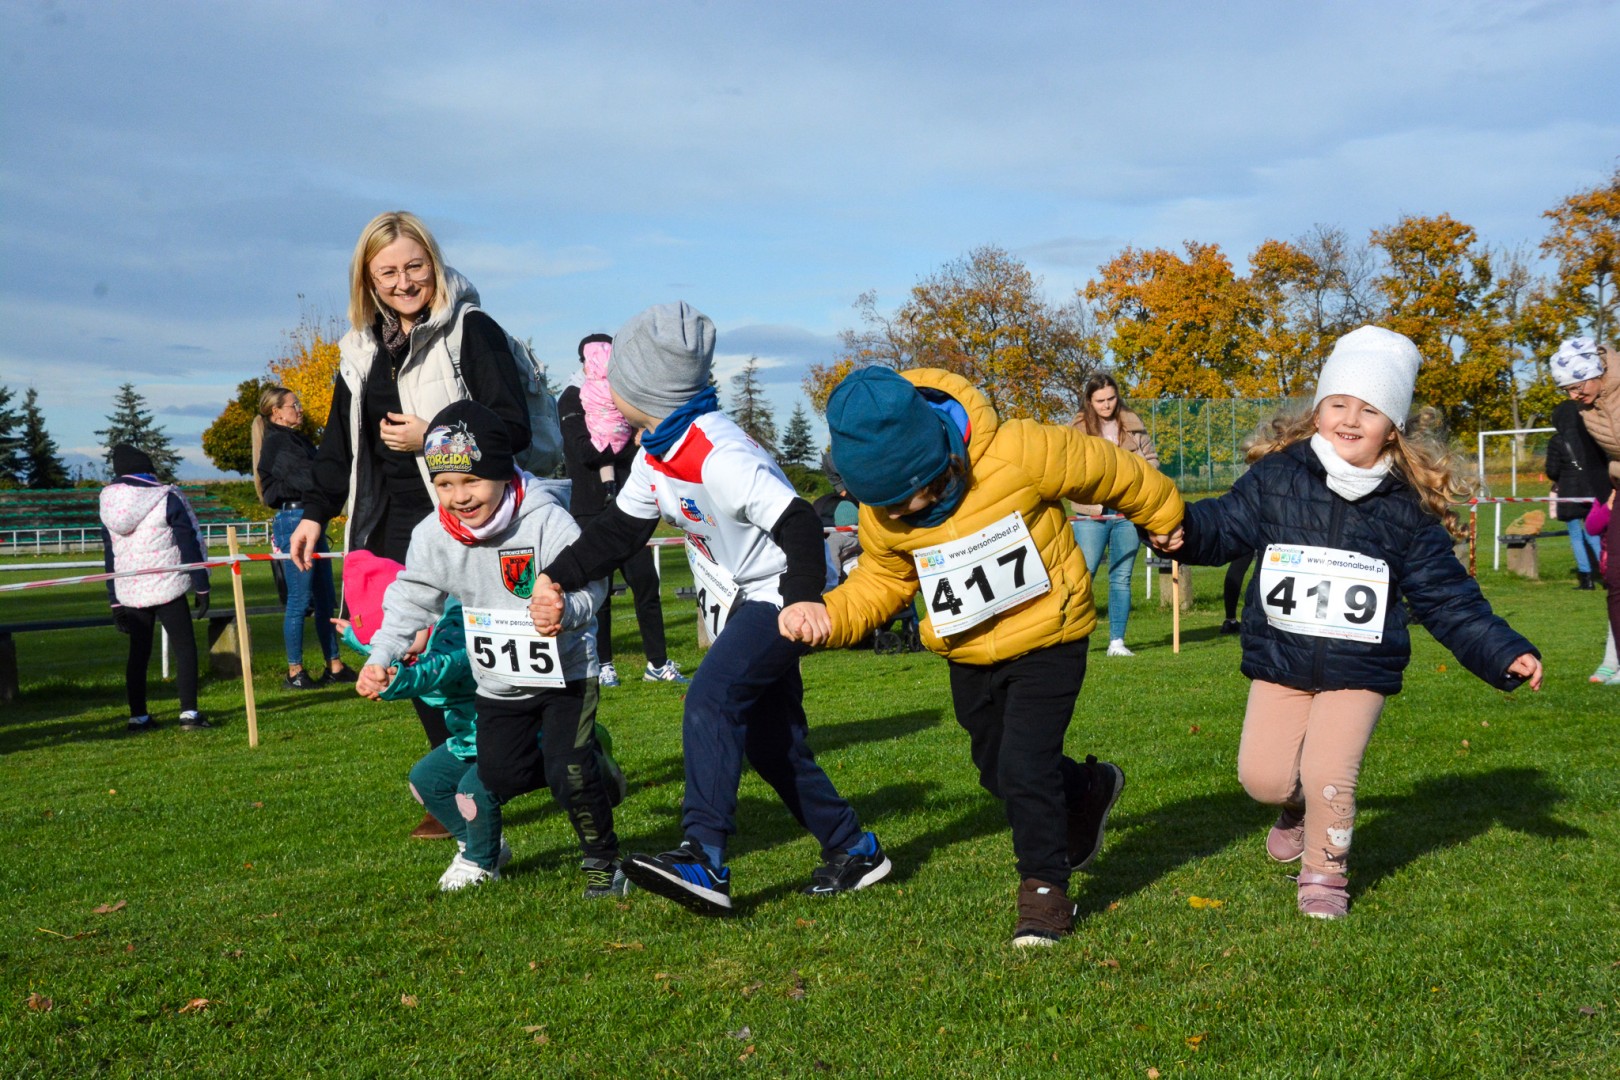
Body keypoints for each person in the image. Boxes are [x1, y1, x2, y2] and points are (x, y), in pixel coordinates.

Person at [786, 365, 1184, 948]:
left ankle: (1044, 892)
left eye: (904, 499)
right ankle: (1086, 788)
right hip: (969, 651)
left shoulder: (1020, 449)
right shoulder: (882, 513)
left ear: (941, 459)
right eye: (882, 505)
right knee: (997, 769)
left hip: (1050, 634)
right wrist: (828, 614)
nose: (895, 515)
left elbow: (1115, 471)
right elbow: (881, 581)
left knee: (1025, 764)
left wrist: (1166, 521)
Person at [1156, 326, 1542, 921]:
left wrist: (1502, 650)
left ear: (1394, 427)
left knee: (1331, 773)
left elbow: (1447, 599)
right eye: (1339, 403)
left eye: (1371, 409)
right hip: (1281, 659)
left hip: (1359, 668)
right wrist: (1181, 529)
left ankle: (1325, 877)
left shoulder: (1406, 507)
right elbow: (1224, 524)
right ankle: (1296, 810)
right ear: (1317, 411)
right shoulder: (1277, 477)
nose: (1351, 418)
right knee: (1264, 779)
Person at [533, 302, 889, 917]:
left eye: (619, 385)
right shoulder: (658, 451)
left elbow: (800, 520)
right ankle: (854, 848)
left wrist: (805, 599)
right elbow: (619, 532)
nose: (610, 396)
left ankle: (704, 857)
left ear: (645, 390)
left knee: (711, 697)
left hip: (781, 585)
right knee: (772, 742)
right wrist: (557, 576)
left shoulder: (717, 452)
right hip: (749, 591)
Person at [289, 210, 530, 840]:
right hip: (388, 529)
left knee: (474, 659)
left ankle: (512, 768)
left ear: (435, 263)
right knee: (410, 657)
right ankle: (453, 778)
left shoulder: (471, 331)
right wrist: (315, 513)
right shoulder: (357, 352)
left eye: (414, 266)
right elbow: (337, 448)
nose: (404, 281)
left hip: (463, 522)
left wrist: (438, 436)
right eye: (387, 271)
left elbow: (512, 428)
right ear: (367, 281)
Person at [356, 401, 625, 896]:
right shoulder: (433, 536)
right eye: (445, 485)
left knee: (567, 772)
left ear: (502, 473)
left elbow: (595, 582)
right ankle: (593, 763)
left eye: (472, 481)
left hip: (565, 673)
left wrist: (568, 610)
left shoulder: (545, 520)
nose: (459, 497)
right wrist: (380, 658)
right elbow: (410, 600)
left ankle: (603, 863)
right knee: (500, 774)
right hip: (497, 681)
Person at [336, 550, 628, 893]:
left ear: (418, 614)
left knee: (475, 789)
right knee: (426, 780)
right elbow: (394, 651)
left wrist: (394, 681)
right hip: (468, 736)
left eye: (396, 639)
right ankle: (479, 842)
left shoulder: (458, 626)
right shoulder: (404, 647)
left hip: (517, 730)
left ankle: (481, 861)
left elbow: (442, 669)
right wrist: (367, 650)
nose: (397, 653)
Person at [556, 332, 686, 687]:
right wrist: (626, 443)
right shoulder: (571, 397)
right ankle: (604, 663)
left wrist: (627, 443)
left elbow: (642, 444)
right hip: (588, 507)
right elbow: (584, 452)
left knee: (646, 582)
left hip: (628, 507)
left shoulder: (622, 396)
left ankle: (657, 663)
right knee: (600, 591)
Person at [99, 444, 212, 732]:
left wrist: (115, 602)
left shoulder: (107, 503)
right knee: (185, 649)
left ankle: (138, 716)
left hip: (130, 591)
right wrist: (201, 586)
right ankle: (188, 713)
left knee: (138, 653)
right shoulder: (166, 497)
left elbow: (109, 555)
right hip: (168, 585)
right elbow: (188, 542)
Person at [251, 385, 356, 689]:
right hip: (294, 519)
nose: (300, 409)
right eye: (294, 404)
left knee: (326, 596)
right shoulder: (277, 445)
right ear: (276, 412)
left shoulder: (297, 440)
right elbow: (311, 478)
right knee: (299, 599)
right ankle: (295, 671)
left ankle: (334, 665)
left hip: (311, 517)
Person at [1069, 373, 1161, 657]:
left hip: (1127, 513)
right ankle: (1072, 640)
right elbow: (1069, 468)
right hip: (1090, 515)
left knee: (1121, 577)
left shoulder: (1132, 423)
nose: (1107, 405)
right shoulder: (1077, 428)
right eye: (1100, 401)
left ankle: (1117, 643)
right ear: (1089, 401)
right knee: (1083, 576)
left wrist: (1145, 479)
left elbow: (1152, 460)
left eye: (1111, 398)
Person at [1551, 337, 1620, 656]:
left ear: (1594, 371)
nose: (1574, 395)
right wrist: (1608, 496)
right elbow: (1594, 461)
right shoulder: (1583, 411)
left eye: (1577, 386)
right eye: (1567, 390)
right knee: (1615, 578)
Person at [1545, 392, 1610, 590]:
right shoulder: (1590, 438)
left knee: (1575, 535)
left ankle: (1586, 578)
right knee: (1593, 533)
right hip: (1593, 490)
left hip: (1569, 493)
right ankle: (1606, 573)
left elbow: (1552, 470)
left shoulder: (1557, 441)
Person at [1582, 495, 1620, 684]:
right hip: (1613, 568)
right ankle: (1611, 663)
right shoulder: (1606, 495)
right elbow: (1592, 527)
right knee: (1615, 617)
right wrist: (1608, 506)